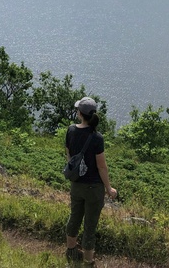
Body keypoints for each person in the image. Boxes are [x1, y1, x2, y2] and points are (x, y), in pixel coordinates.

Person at [65, 96, 117, 266]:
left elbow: (70, 156)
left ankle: (71, 252)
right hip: (94, 188)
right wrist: (109, 188)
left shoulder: (71, 130)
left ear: (80, 113)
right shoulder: (97, 137)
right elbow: (101, 167)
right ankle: (88, 261)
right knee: (90, 225)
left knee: (74, 218)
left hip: (76, 185)